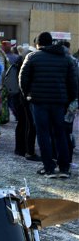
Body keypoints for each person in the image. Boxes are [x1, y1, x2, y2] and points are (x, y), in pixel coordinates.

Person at [19, 32, 78, 178]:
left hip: (39, 102)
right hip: (60, 102)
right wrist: (70, 99)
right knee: (61, 134)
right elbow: (73, 82)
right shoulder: (66, 58)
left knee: (43, 134)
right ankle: (64, 168)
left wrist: (28, 95)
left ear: (38, 44)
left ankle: (49, 168)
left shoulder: (32, 57)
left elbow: (23, 78)